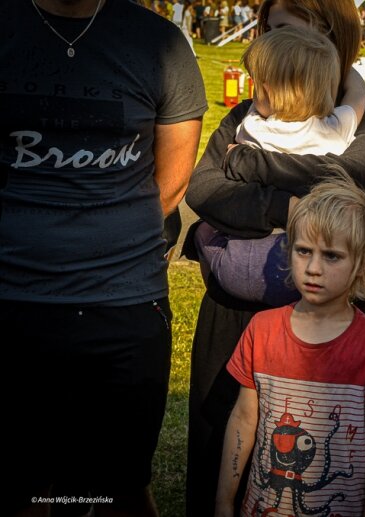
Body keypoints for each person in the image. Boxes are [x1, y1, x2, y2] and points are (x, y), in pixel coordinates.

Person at [184, 0, 365, 514]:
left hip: (317, 315)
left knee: (308, 447)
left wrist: (254, 166)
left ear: (327, 33)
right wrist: (293, 206)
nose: (273, 40)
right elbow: (206, 188)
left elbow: (355, 177)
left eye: (287, 29)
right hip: (235, 316)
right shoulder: (258, 112)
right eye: (269, 29)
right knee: (224, 431)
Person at [0, 0, 206, 515]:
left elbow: (172, 181)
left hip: (124, 302)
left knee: (119, 483)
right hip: (11, 300)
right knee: (25, 484)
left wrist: (104, 243)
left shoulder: (159, 43)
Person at [214, 176, 365, 517]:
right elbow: (244, 418)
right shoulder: (261, 330)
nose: (314, 268)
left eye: (332, 256)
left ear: (361, 264)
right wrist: (223, 501)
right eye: (304, 251)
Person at [193, 25, 365, 304]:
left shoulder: (251, 126)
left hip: (241, 265)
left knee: (203, 231)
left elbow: (206, 183)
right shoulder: (335, 129)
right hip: (302, 270)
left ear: (267, 91)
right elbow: (360, 94)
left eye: (256, 83)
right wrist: (335, 65)